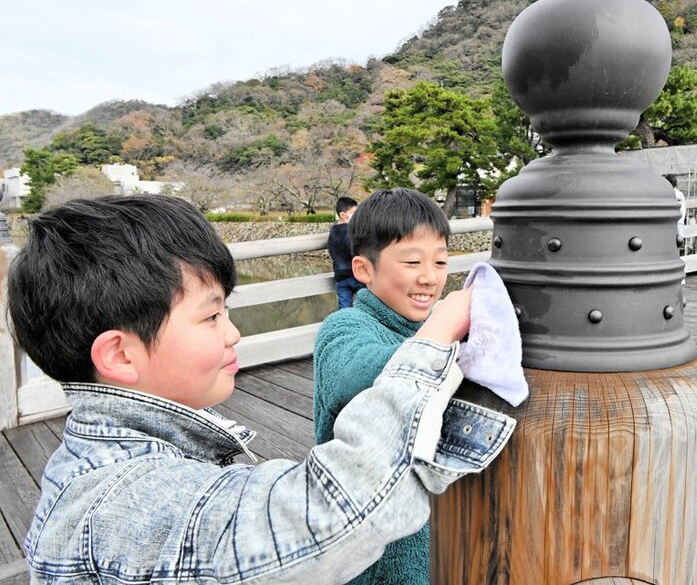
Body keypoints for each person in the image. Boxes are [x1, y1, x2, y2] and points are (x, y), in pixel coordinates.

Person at [7, 194, 515, 584]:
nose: (233, 333)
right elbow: (325, 518)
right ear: (120, 355)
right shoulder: (119, 501)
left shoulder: (106, 461)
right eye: (210, 316)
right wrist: (439, 339)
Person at [313, 188, 451, 585]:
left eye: (441, 261)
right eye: (412, 262)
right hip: (368, 553)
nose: (430, 277)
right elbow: (355, 373)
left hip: (428, 536)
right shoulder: (346, 328)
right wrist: (445, 332)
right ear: (363, 269)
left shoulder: (427, 330)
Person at [328, 196, 365, 309]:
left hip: (340, 277)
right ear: (343, 215)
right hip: (357, 276)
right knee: (364, 306)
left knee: (344, 309)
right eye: (355, 213)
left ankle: (345, 325)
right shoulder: (353, 232)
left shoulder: (333, 231)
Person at [664, 173, 687, 243]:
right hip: (680, 223)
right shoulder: (680, 194)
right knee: (678, 243)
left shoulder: (668, 194)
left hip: (670, 224)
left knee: (669, 244)